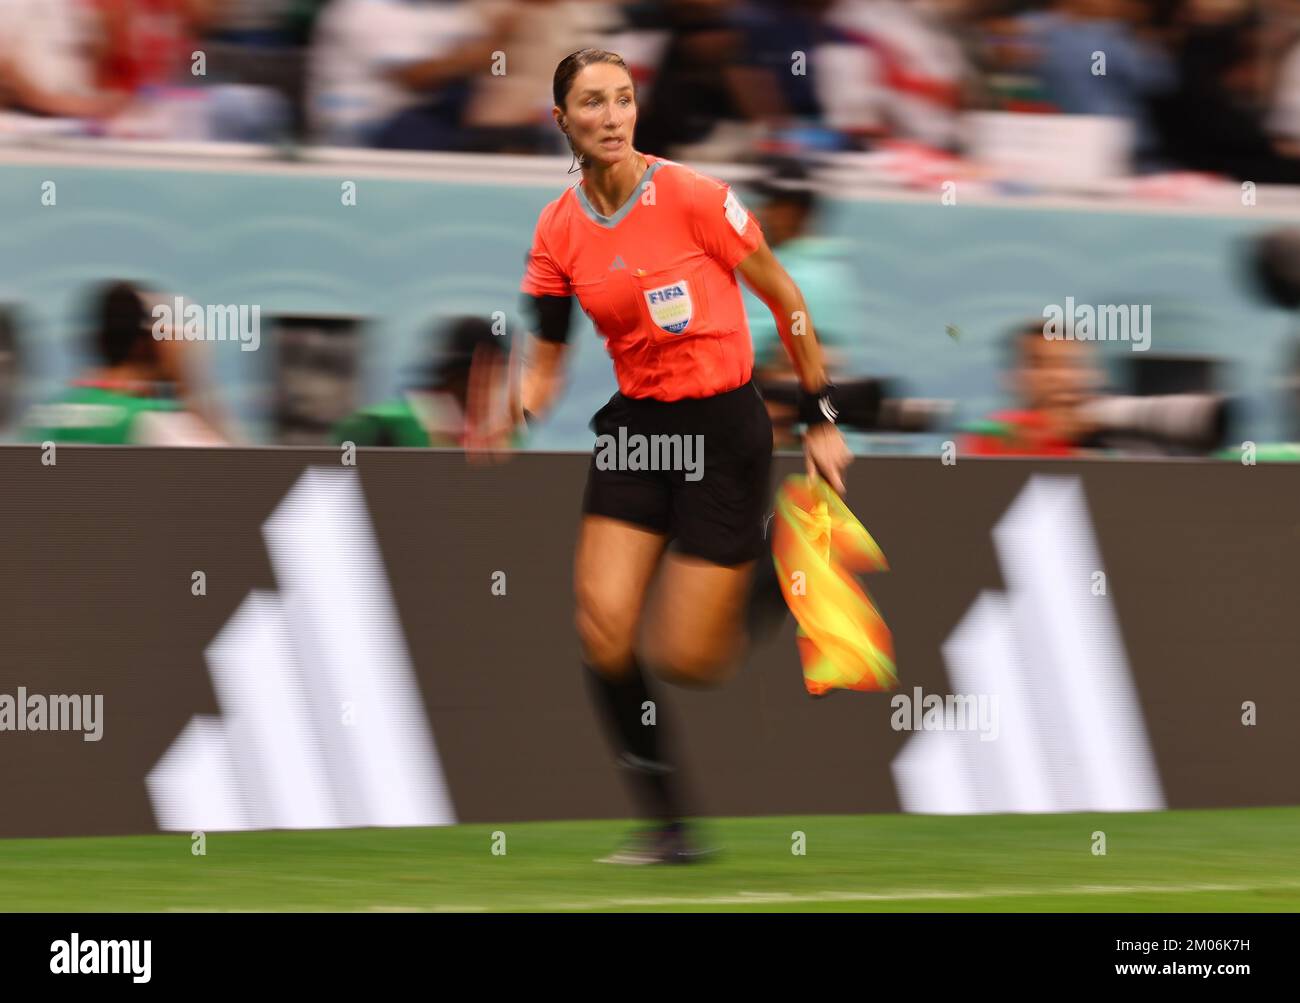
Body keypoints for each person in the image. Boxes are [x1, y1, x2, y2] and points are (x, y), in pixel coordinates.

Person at [481, 48, 851, 863]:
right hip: (639, 431)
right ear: (562, 121)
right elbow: (547, 354)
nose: (610, 117)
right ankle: (670, 825)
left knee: (687, 659)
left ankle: (790, 574)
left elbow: (786, 298)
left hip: (723, 431)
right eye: (591, 103)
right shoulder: (557, 229)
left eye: (621, 100)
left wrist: (821, 413)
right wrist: (519, 407)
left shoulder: (693, 197)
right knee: (602, 629)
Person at [20, 281, 225, 445]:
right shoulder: (153, 422)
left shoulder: (45, 416)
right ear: (146, 344)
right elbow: (230, 478)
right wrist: (188, 382)